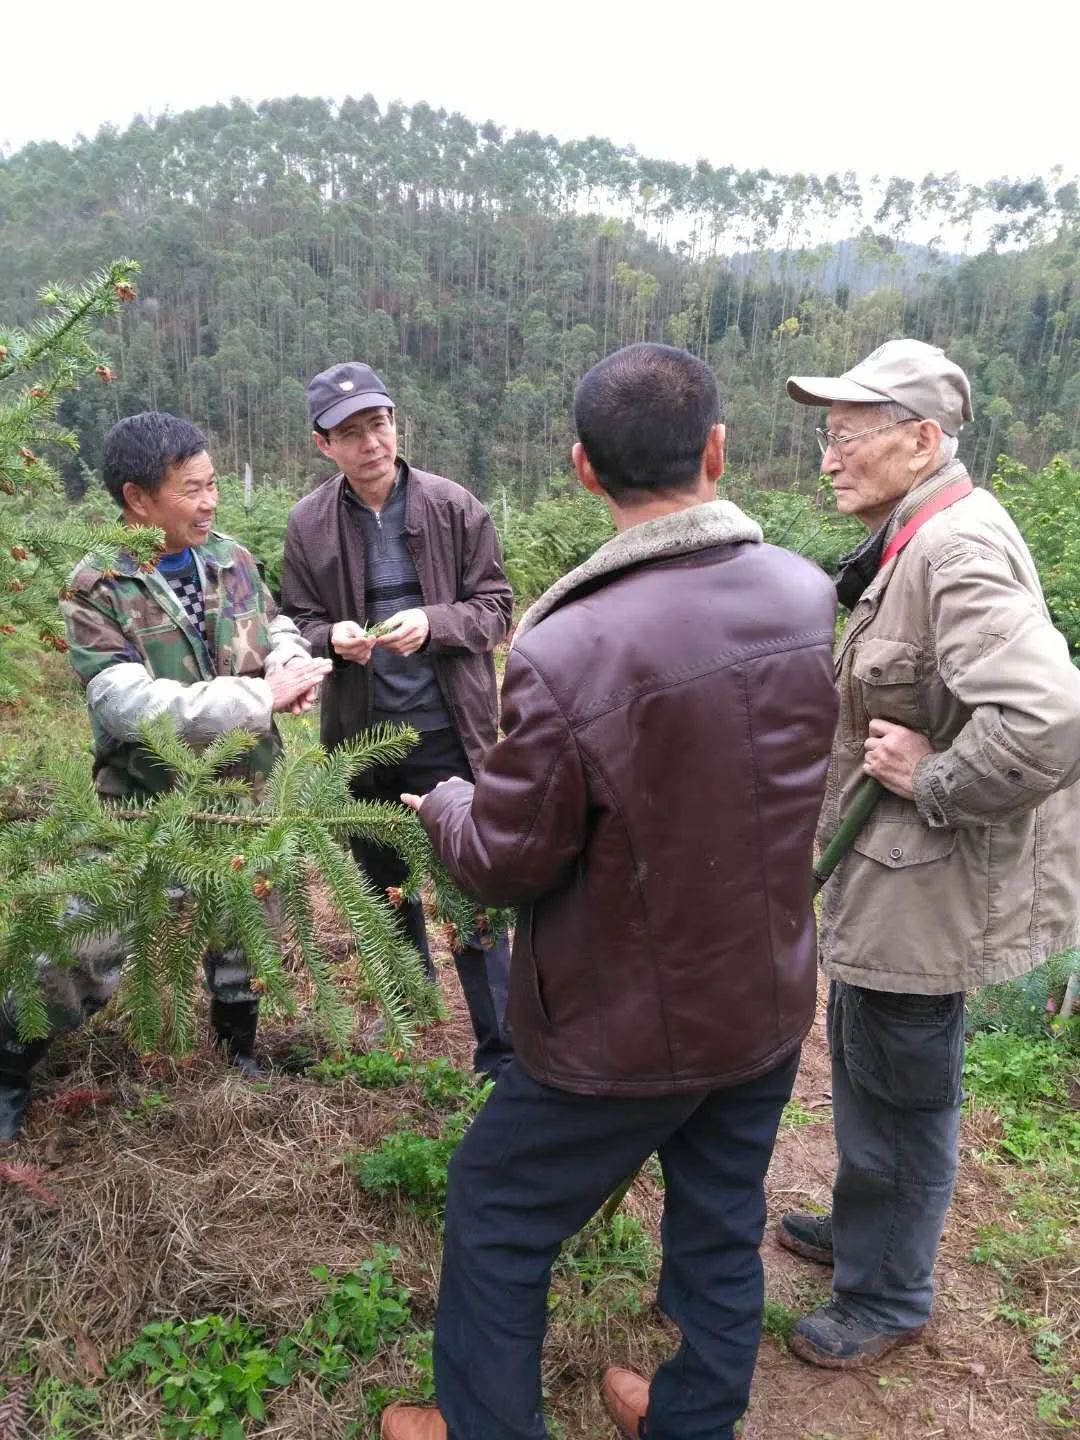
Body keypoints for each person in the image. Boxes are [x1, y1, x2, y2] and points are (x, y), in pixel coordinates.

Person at [380, 343, 840, 1440]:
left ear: (584, 469)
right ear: (717, 451)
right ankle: (691, 1421)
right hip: (766, 1000)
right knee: (722, 1222)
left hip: (619, 1030)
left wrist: (445, 797)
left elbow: (503, 860)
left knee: (498, 1214)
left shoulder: (567, 648)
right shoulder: (805, 590)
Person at [779, 339, 1080, 1367]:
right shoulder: (912, 537)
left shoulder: (955, 551)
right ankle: (868, 1233)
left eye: (849, 436)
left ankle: (889, 1295)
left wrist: (936, 775)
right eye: (828, 436)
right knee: (866, 1058)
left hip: (933, 886)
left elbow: (1047, 720)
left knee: (905, 1093)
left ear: (922, 440)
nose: (830, 459)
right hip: (892, 885)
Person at [0, 412, 331, 1143]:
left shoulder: (232, 558)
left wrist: (285, 663)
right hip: (145, 806)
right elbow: (125, 705)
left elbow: (269, 624)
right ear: (138, 499)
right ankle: (8, 1067)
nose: (210, 502)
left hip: (245, 798)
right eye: (192, 489)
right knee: (82, 947)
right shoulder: (98, 585)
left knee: (248, 927)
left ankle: (236, 1050)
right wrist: (256, 700)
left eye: (212, 484)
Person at [281, 363, 514, 1078]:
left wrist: (436, 622)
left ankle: (499, 1047)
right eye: (350, 432)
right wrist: (333, 640)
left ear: (395, 424)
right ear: (325, 445)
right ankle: (409, 1012)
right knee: (385, 883)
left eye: (377, 424)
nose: (370, 442)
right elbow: (296, 620)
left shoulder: (453, 506)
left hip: (448, 732)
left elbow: (497, 607)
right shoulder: (309, 523)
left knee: (470, 882)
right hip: (360, 741)